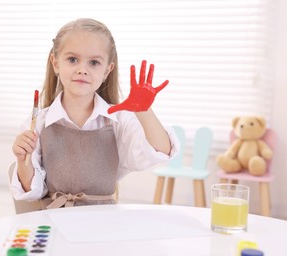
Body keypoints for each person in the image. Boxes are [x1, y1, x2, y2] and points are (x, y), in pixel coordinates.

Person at [11, 18, 180, 209]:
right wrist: (22, 157)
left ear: (108, 70)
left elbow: (161, 151)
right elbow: (31, 190)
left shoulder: (118, 120)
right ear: (55, 63)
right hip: (54, 222)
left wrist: (144, 111)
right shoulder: (37, 124)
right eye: (73, 59)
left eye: (94, 62)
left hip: (104, 224)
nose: (82, 70)